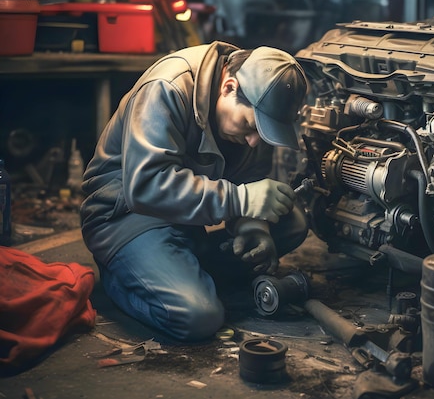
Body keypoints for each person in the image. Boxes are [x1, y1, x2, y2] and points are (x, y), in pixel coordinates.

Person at [80, 42, 309, 341]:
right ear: (229, 87)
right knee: (198, 318)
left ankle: (181, 271)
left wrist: (254, 227)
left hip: (188, 216)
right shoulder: (167, 87)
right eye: (250, 126)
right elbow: (146, 186)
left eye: (263, 133)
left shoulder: (254, 101)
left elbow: (251, 180)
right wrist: (241, 201)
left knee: (291, 220)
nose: (255, 141)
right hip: (127, 217)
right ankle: (125, 278)